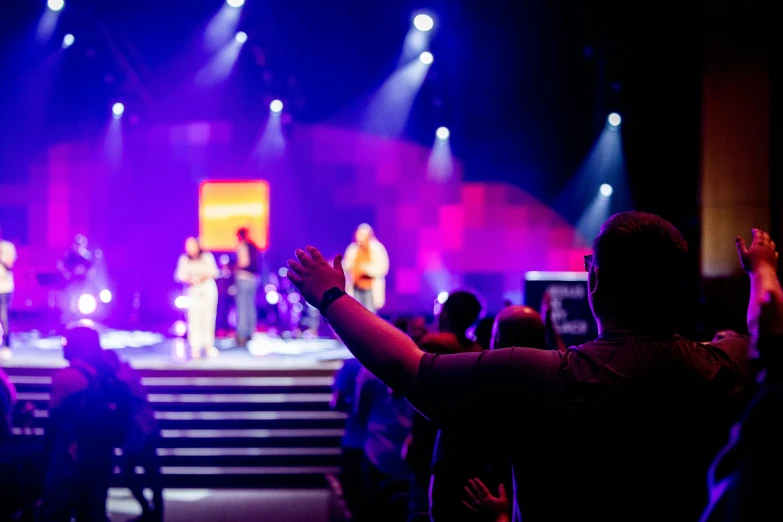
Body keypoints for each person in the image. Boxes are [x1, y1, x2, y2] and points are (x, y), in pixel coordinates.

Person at [287, 212, 766, 522]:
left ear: (594, 280)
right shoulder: (729, 365)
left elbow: (410, 368)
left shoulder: (544, 377)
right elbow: (766, 333)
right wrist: (763, 271)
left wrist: (330, 297)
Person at [42, 324, 132, 522]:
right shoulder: (102, 376)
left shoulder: (66, 378)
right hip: (100, 452)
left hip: (71, 454)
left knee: (58, 510)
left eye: (66, 342)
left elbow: (56, 421)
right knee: (93, 510)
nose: (62, 346)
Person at [105, 351, 164, 522]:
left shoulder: (120, 379)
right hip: (145, 427)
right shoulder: (128, 374)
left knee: (131, 470)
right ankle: (155, 513)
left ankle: (150, 511)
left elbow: (123, 405)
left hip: (137, 430)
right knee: (151, 472)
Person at [331, 358, 367, 520]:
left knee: (357, 498)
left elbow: (337, 402)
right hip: (394, 442)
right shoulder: (399, 362)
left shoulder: (353, 365)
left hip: (356, 439)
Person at [175, 237, 219, 359]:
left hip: (207, 289)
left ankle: (208, 345)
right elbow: (180, 275)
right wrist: (191, 279)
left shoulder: (207, 257)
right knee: (194, 318)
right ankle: (195, 347)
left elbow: (214, 272)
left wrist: (201, 278)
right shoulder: (184, 259)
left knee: (208, 317)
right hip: (193, 291)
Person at [343, 224, 389, 313]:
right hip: (356, 287)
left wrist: (366, 269)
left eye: (362, 235)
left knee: (370, 313)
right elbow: (347, 264)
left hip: (370, 288)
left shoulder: (377, 249)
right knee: (356, 312)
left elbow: (383, 268)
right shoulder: (353, 249)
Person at [235, 228, 261, 347]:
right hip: (253, 279)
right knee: (250, 306)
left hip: (244, 278)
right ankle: (250, 333)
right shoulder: (254, 246)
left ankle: (242, 335)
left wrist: (233, 268)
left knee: (242, 307)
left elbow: (244, 262)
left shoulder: (243, 246)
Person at [0, 226, 17, 358]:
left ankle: (6, 345)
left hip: (4, 288)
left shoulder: (8, 247)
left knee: (4, 317)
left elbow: (9, 265)